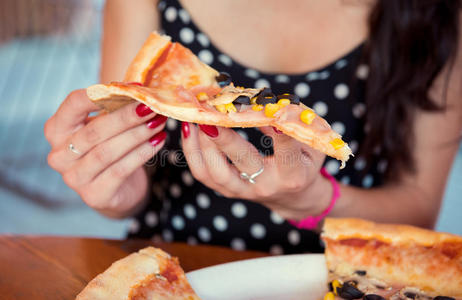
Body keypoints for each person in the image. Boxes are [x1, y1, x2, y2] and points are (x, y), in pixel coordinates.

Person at [44, 0, 462, 254]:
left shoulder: (439, 14)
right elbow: (129, 179)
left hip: (343, 273)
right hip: (175, 269)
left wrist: (316, 202)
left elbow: (417, 208)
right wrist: (115, 188)